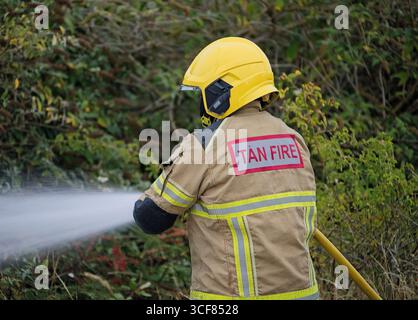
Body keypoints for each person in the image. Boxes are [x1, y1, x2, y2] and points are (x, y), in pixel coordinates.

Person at [133, 37, 319, 300]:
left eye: (201, 92)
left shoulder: (205, 145)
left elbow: (150, 218)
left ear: (219, 92)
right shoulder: (293, 139)